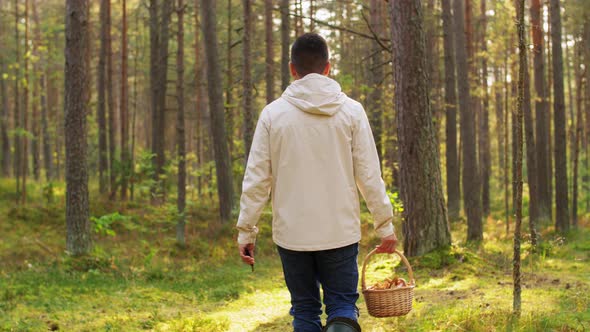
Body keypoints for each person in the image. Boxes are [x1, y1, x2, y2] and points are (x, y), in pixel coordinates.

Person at [236, 33, 398, 332]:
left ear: (291, 68)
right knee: (341, 306)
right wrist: (384, 225)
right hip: (339, 232)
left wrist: (247, 230)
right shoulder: (351, 112)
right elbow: (369, 175)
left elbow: (257, 179)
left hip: (292, 235)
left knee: (305, 310)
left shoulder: (273, 115)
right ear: (328, 67)